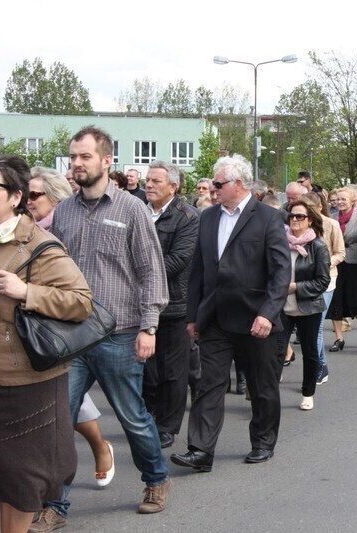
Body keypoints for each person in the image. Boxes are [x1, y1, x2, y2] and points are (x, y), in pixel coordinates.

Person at [0, 155, 93, 533]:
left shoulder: (40, 245)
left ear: (15, 197)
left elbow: (81, 302)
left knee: (19, 479)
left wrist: (28, 292)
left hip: (27, 385)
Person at [34, 126, 171, 530]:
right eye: (73, 156)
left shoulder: (131, 209)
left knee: (132, 417)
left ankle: (156, 480)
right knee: (59, 422)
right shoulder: (65, 211)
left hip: (121, 334)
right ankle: (55, 506)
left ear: (107, 161)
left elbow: (151, 271)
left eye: (85, 156)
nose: (77, 163)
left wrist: (149, 327)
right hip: (72, 337)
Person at [171, 154, 290, 472]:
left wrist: (268, 313)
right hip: (216, 318)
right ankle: (200, 450)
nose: (213, 189)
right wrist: (193, 316)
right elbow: (197, 270)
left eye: (218, 183)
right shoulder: (208, 217)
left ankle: (263, 442)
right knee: (209, 385)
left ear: (239, 184)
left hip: (255, 319)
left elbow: (281, 272)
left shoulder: (267, 218)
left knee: (262, 386)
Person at [28, 166, 115, 488]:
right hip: (26, 322)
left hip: (62, 326)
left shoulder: (63, 229)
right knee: (48, 404)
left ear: (54, 198)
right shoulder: (22, 230)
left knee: (65, 400)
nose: (28, 200)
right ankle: (37, 484)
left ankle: (98, 448)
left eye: (34, 194)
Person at [143, 160, 200, 449]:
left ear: (173, 187)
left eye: (156, 181)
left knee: (173, 370)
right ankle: (149, 417)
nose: (148, 185)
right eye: (148, 180)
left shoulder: (187, 217)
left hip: (174, 304)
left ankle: (167, 426)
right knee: (146, 369)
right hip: (140, 303)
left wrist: (137, 272)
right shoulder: (138, 211)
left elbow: (178, 260)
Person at [281, 200, 330, 410]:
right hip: (281, 308)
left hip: (308, 307)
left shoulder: (318, 246)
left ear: (309, 220)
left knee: (310, 353)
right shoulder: (280, 243)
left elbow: (323, 281)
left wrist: (296, 287)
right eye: (292, 215)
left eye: (300, 216)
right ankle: (267, 395)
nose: (295, 219)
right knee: (275, 352)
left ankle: (308, 393)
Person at [303, 192, 344, 384]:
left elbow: (340, 253)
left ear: (319, 207)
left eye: (309, 208)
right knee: (310, 327)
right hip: (305, 280)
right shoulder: (300, 224)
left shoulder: (331, 224)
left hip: (327, 279)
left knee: (317, 326)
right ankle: (320, 365)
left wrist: (324, 264)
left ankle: (320, 367)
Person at [326, 187, 357, 350]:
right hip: (336, 262)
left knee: (355, 299)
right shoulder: (331, 218)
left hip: (355, 262)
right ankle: (339, 338)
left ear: (352, 201)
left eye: (343, 199)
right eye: (337, 199)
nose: (339, 202)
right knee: (335, 300)